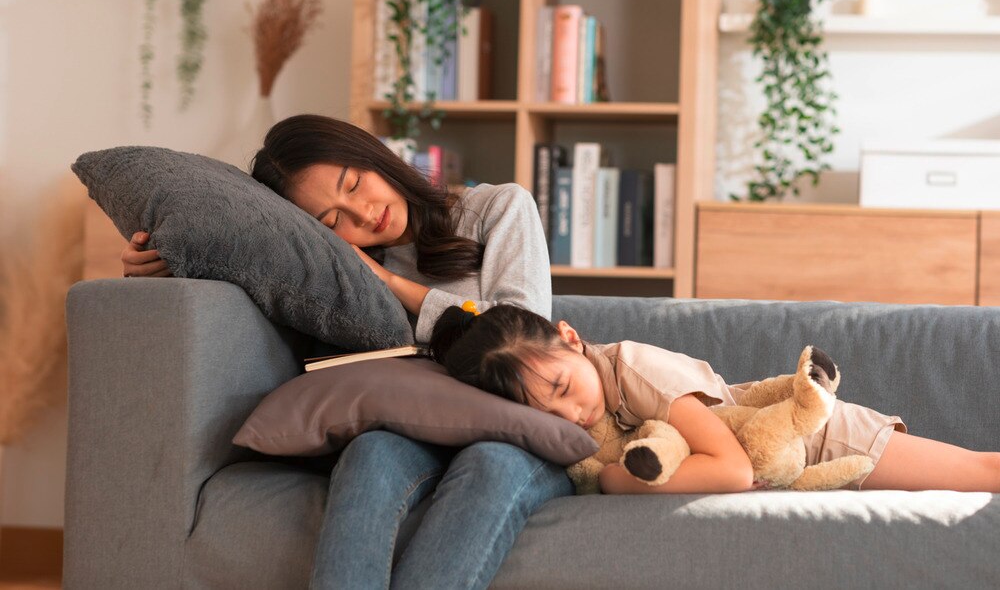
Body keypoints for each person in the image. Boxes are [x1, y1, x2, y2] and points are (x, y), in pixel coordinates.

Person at [121, 114, 572, 589]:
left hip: (517, 427)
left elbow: (527, 335)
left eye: (354, 184)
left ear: (372, 155)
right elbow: (258, 275)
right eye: (333, 220)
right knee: (371, 455)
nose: (362, 214)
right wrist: (166, 265)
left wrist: (393, 285)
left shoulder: (498, 208)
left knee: (489, 465)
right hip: (415, 426)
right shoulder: (337, 275)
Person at [429, 303, 1000, 494]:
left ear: (572, 337)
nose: (572, 416)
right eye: (544, 414)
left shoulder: (631, 371)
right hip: (786, 465)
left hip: (815, 433)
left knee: (977, 475)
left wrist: (615, 481)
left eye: (562, 388)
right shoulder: (592, 408)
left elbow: (728, 469)